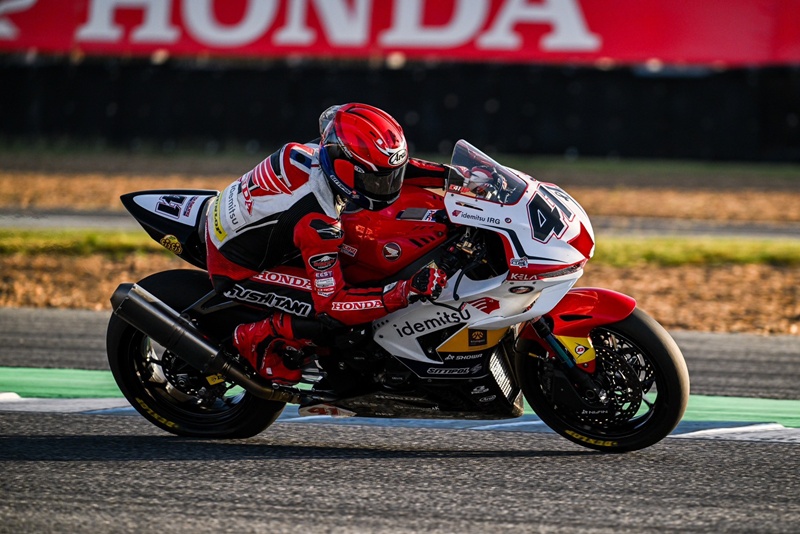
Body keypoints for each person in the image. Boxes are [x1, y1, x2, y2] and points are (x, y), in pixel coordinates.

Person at [205, 103, 449, 385]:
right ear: (344, 169)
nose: (389, 187)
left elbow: (393, 167)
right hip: (237, 267)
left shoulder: (325, 149)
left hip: (247, 227)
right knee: (342, 320)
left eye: (392, 176)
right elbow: (332, 304)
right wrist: (403, 291)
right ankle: (254, 339)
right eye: (377, 181)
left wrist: (455, 177)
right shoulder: (318, 221)